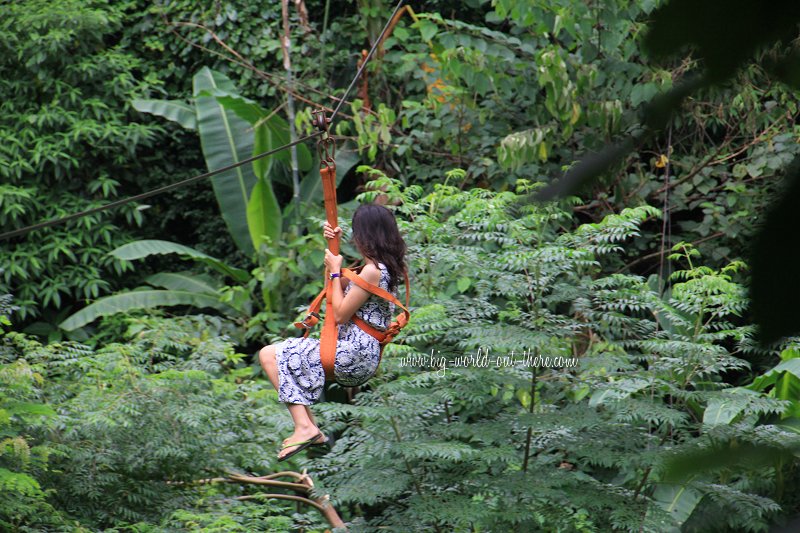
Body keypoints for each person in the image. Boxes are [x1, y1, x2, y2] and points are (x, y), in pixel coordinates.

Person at [258, 204, 407, 461]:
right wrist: (331, 247)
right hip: (360, 357)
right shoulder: (380, 269)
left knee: (269, 354)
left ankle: (305, 427)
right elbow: (332, 287)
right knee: (276, 355)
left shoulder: (373, 271)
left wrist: (337, 268)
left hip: (353, 355)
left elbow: (339, 314)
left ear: (364, 235)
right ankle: (308, 428)